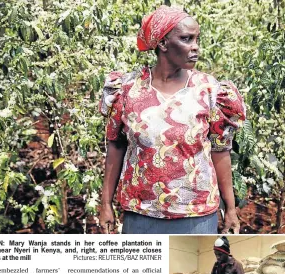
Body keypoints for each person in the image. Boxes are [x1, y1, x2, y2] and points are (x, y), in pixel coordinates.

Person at [98, 5, 246, 234]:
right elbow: (116, 145)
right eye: (187, 39)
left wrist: (231, 209)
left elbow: (220, 151)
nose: (195, 47)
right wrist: (105, 203)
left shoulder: (210, 91)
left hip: (195, 216)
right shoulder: (127, 90)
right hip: (141, 214)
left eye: (197, 39)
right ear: (163, 44)